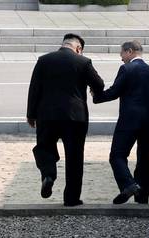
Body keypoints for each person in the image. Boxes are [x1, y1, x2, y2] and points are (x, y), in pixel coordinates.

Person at [27, 33, 104, 206]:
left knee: (44, 147)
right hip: (75, 117)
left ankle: (48, 174)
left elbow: (34, 88)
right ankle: (71, 198)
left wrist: (31, 114)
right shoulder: (83, 62)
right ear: (78, 48)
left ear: (62, 44)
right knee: (75, 158)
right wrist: (94, 91)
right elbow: (99, 84)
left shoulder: (44, 60)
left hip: (46, 115)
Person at [92, 41, 149, 204]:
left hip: (129, 120)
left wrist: (97, 97)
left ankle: (129, 184)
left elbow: (114, 92)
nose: (121, 58)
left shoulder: (126, 69)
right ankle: (142, 196)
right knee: (144, 159)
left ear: (130, 51)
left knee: (117, 155)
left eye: (122, 54)